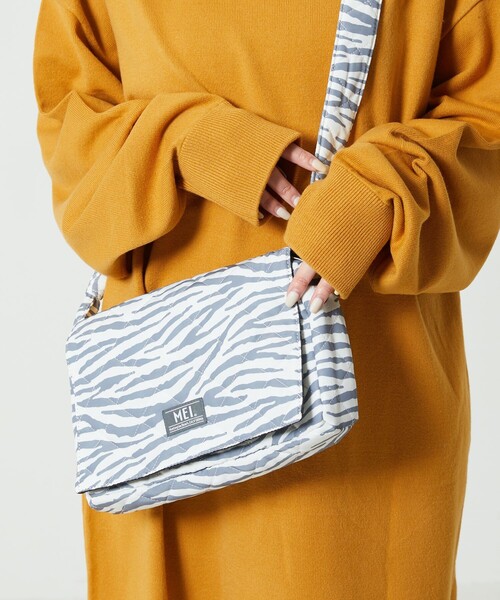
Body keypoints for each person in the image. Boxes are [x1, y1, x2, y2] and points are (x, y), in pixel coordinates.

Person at [32, 0, 499, 598]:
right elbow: (70, 128)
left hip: (367, 393)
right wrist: (183, 141)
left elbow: (486, 120)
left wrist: (377, 194)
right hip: (165, 408)